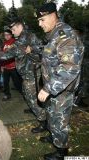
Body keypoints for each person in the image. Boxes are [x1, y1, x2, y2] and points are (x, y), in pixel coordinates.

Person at [32, 2, 84, 159]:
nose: (40, 24)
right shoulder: (54, 34)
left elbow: (69, 68)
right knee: (51, 115)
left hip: (61, 89)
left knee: (60, 120)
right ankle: (53, 137)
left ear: (53, 16)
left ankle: (61, 151)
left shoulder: (65, 35)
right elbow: (52, 56)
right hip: (54, 87)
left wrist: (47, 88)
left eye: (42, 20)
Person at [0, 17, 46, 132]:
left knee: (31, 97)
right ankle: (35, 109)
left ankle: (43, 121)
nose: (12, 32)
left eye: (13, 29)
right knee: (27, 94)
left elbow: (7, 55)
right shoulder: (23, 37)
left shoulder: (25, 37)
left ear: (20, 26)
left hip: (32, 73)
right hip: (27, 72)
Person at [1, 29, 22, 101]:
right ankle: (7, 94)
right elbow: (2, 55)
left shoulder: (15, 42)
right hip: (6, 66)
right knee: (5, 82)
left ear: (11, 35)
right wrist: (2, 66)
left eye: (8, 35)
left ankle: (23, 93)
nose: (6, 36)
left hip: (13, 66)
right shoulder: (4, 43)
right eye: (5, 35)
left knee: (17, 82)